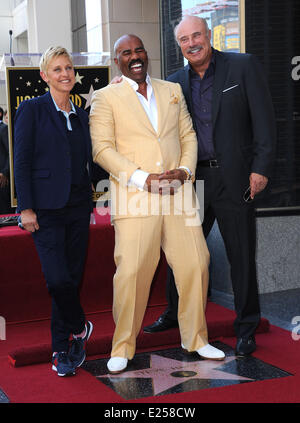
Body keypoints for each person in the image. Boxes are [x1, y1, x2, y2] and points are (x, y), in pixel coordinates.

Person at [89, 34, 225, 375]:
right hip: (135, 197)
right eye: (125, 53)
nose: (134, 56)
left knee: (197, 263)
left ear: (145, 54)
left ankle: (195, 338)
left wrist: (185, 170)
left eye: (138, 50)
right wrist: (142, 178)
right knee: (133, 274)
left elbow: (188, 137)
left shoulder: (172, 90)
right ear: (116, 61)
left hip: (178, 195)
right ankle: (123, 346)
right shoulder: (106, 98)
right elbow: (102, 149)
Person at [144, 16, 276, 357]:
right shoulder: (173, 84)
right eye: (184, 39)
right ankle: (175, 313)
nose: (192, 43)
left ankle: (246, 326)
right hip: (192, 183)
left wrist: (260, 168)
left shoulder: (243, 66)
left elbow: (264, 120)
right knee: (181, 252)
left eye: (196, 35)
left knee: (241, 255)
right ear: (180, 45)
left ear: (209, 35)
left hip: (236, 178)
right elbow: (145, 110)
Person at [14, 46, 93, 377]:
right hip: (44, 211)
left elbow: (92, 160)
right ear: (45, 76)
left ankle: (62, 349)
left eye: (69, 68)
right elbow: (22, 160)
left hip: (78, 208)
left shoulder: (81, 114)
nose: (65, 74)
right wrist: (26, 208)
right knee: (57, 279)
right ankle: (79, 326)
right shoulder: (32, 110)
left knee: (71, 279)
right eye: (57, 69)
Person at [0, 110, 14, 214]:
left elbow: (11, 152)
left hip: (2, 179)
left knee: (5, 211)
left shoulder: (3, 129)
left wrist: (5, 172)